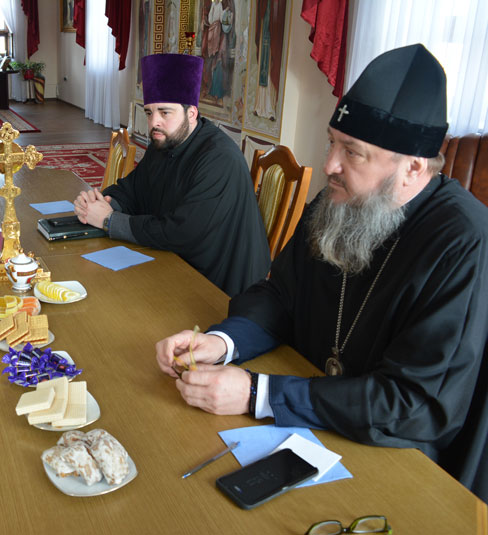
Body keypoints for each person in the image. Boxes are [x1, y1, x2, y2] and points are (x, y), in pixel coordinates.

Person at [154, 44, 488, 498]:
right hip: (310, 425)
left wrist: (257, 394)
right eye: (333, 141)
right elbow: (279, 295)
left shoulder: (462, 240)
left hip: (393, 462)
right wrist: (222, 342)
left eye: (353, 152)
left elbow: (411, 405)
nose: (330, 164)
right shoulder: (337, 201)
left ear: (412, 169)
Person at [74, 53, 270, 296]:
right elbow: (133, 189)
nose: (154, 122)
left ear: (192, 114)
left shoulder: (219, 158)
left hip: (218, 283)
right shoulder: (165, 142)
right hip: (173, 260)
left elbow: (183, 233)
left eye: (165, 112)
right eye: (149, 113)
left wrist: (109, 221)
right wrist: (101, 203)